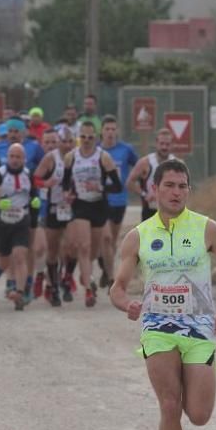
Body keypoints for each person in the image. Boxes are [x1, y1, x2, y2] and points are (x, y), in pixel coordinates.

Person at [109, 158, 216, 430]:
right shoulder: (139, 236)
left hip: (198, 327)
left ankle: (195, 375)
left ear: (189, 190)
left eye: (182, 186)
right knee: (169, 405)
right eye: (169, 185)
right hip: (157, 328)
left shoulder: (206, 228)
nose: (176, 192)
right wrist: (129, 306)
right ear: (154, 190)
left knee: (198, 415)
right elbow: (118, 288)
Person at [61, 120, 122, 307]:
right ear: (78, 138)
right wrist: (67, 194)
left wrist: (102, 187)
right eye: (83, 137)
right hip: (80, 206)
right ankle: (88, 289)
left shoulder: (103, 157)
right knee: (84, 247)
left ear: (96, 137)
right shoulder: (71, 157)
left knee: (95, 251)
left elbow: (117, 186)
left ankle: (89, 277)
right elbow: (65, 183)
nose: (86, 140)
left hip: (99, 206)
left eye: (90, 137)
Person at [33, 126, 74, 306]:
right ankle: (53, 286)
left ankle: (66, 278)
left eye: (68, 141)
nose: (65, 144)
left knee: (72, 247)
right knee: (52, 250)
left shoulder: (77, 157)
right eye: (61, 141)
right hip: (53, 208)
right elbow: (35, 179)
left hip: (73, 208)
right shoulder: (50, 158)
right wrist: (46, 183)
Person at [0, 143, 36, 310]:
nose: (15, 160)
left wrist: (34, 211)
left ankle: (20, 291)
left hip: (21, 220)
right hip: (2, 222)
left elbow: (34, 197)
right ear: (7, 158)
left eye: (18, 157)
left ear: (24, 159)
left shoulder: (28, 174)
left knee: (19, 256)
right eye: (12, 156)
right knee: (5, 259)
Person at [100, 114, 139, 287]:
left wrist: (135, 181)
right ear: (101, 131)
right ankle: (110, 277)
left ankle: (105, 269)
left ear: (117, 131)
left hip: (120, 199)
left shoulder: (126, 149)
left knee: (113, 240)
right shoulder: (96, 150)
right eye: (107, 129)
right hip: (101, 200)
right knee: (106, 238)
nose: (110, 132)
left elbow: (138, 166)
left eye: (113, 129)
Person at [128, 128, 176, 222]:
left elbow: (185, 187)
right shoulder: (146, 162)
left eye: (167, 144)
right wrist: (144, 194)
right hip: (150, 211)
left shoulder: (177, 164)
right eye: (161, 144)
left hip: (170, 211)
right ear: (156, 143)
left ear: (172, 145)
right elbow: (129, 183)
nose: (164, 147)